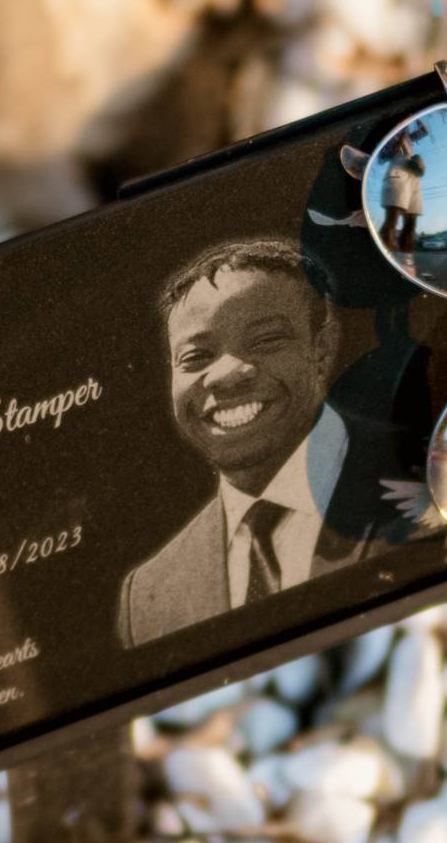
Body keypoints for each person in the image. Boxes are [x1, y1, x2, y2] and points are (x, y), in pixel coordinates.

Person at [118, 239, 364, 648]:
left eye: (266, 341)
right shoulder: (148, 595)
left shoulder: (430, 472)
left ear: (321, 348)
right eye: (196, 358)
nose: (225, 375)